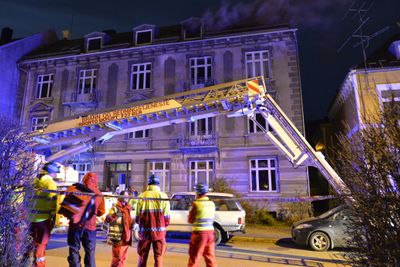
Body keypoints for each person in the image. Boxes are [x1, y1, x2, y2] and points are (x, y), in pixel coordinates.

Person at [66, 172, 105, 267]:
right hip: (90, 228)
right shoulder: (98, 194)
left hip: (75, 226)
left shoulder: (73, 189)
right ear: (95, 181)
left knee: (74, 249)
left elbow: (67, 207)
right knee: (90, 253)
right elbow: (101, 212)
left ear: (84, 179)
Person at [27, 162, 59, 267]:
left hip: (30, 219)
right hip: (43, 219)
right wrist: (53, 215)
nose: (56, 175)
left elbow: (25, 200)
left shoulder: (32, 181)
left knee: (29, 243)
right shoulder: (50, 183)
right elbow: (53, 203)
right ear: (52, 172)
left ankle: (26, 263)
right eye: (56, 173)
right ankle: (39, 265)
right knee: (41, 245)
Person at [136, 174, 170, 267]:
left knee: (142, 257)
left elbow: (137, 218)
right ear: (158, 184)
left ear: (149, 183)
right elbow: (167, 219)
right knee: (158, 257)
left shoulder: (141, 196)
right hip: (159, 233)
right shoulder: (163, 196)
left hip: (145, 233)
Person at [187, 184, 217, 267]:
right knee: (210, 258)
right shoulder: (212, 203)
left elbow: (190, 220)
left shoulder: (196, 204)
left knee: (194, 258)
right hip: (210, 234)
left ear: (197, 192)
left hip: (199, 234)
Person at [105, 190, 134, 267]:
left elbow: (129, 221)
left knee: (123, 259)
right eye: (125, 196)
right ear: (120, 197)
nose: (127, 198)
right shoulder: (115, 208)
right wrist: (115, 215)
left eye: (127, 196)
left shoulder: (128, 208)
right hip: (118, 238)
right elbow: (107, 219)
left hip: (126, 238)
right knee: (117, 259)